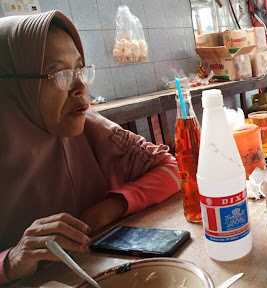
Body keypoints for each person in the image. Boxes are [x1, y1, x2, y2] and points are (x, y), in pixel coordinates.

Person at [0, 11, 180, 284]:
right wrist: (11, 261)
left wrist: (110, 207)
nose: (81, 86)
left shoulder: (89, 129)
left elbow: (171, 169)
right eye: (58, 73)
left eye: (80, 69)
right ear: (11, 86)